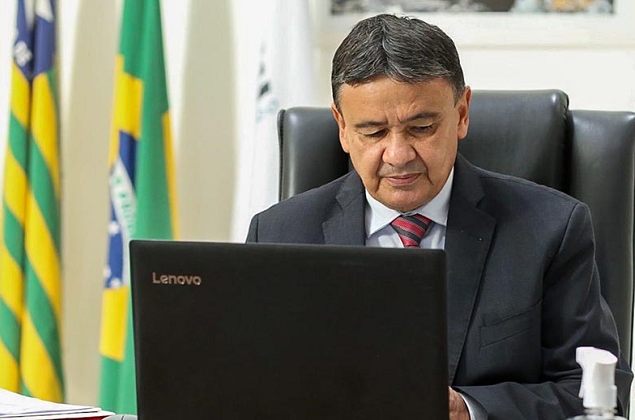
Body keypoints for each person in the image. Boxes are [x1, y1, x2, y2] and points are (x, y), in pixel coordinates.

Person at [246, 13, 632, 419]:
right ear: (342, 127)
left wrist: (469, 410)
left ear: (462, 113)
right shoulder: (278, 234)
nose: (398, 155)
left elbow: (596, 396)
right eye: (373, 133)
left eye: (421, 128)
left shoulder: (551, 229)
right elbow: (250, 387)